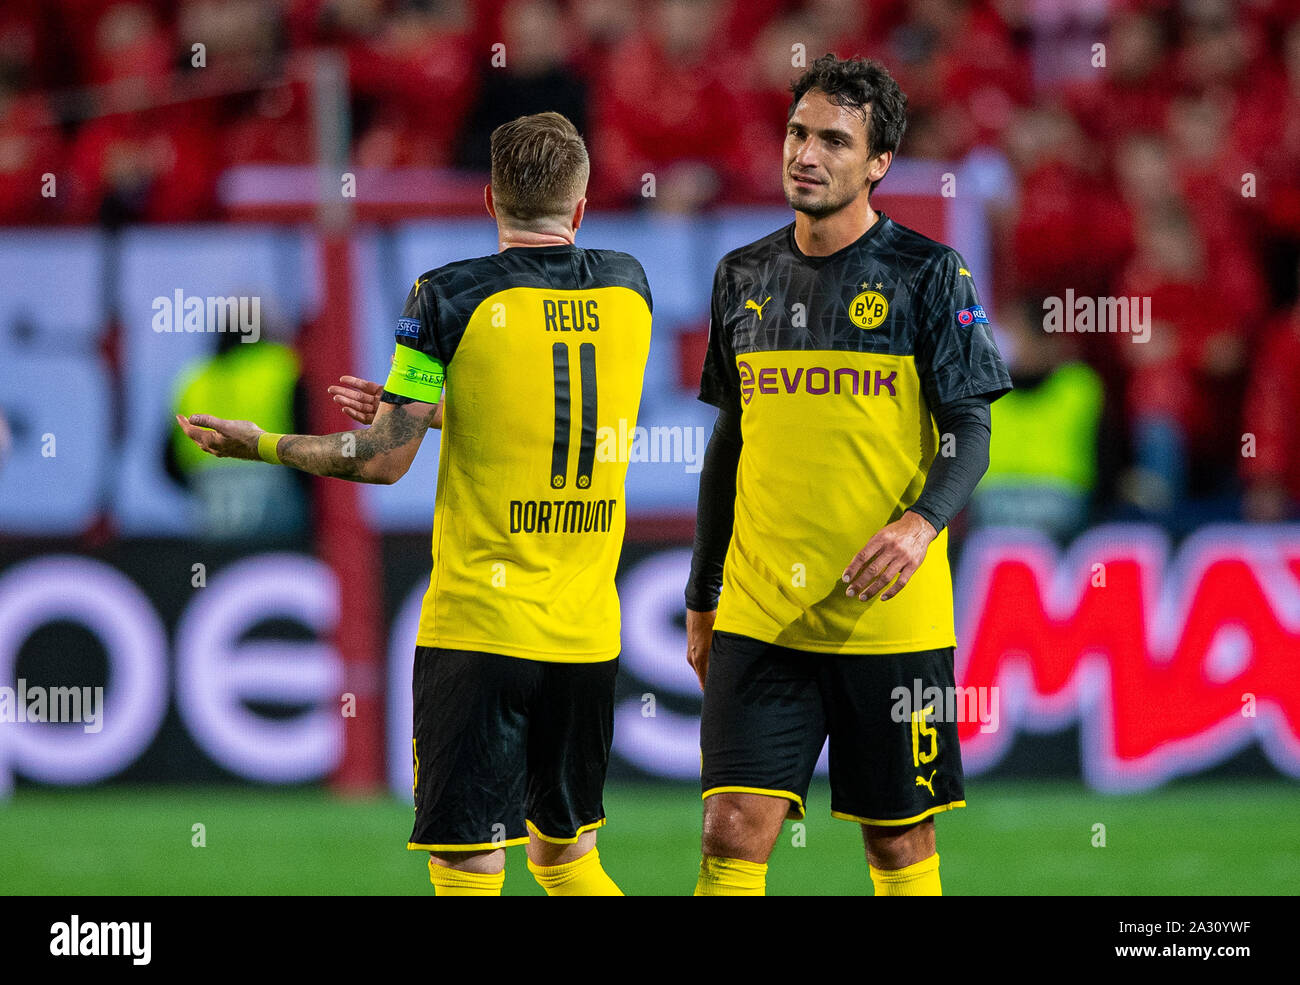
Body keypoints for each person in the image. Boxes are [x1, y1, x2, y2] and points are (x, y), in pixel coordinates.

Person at [177, 112, 653, 896]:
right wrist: (436, 407)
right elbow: (553, 402)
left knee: (466, 861)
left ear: (491, 199)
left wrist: (257, 442)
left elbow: (379, 460)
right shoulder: (628, 285)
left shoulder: (447, 295)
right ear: (579, 205)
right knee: (567, 861)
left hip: (480, 627)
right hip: (588, 632)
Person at [684, 55, 1012, 896]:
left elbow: (971, 426)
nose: (807, 153)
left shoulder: (928, 275)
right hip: (761, 610)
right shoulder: (742, 276)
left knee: (898, 845)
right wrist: (702, 592)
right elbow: (731, 441)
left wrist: (919, 522)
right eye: (798, 132)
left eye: (834, 139)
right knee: (730, 830)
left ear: (878, 164)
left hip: (889, 618)